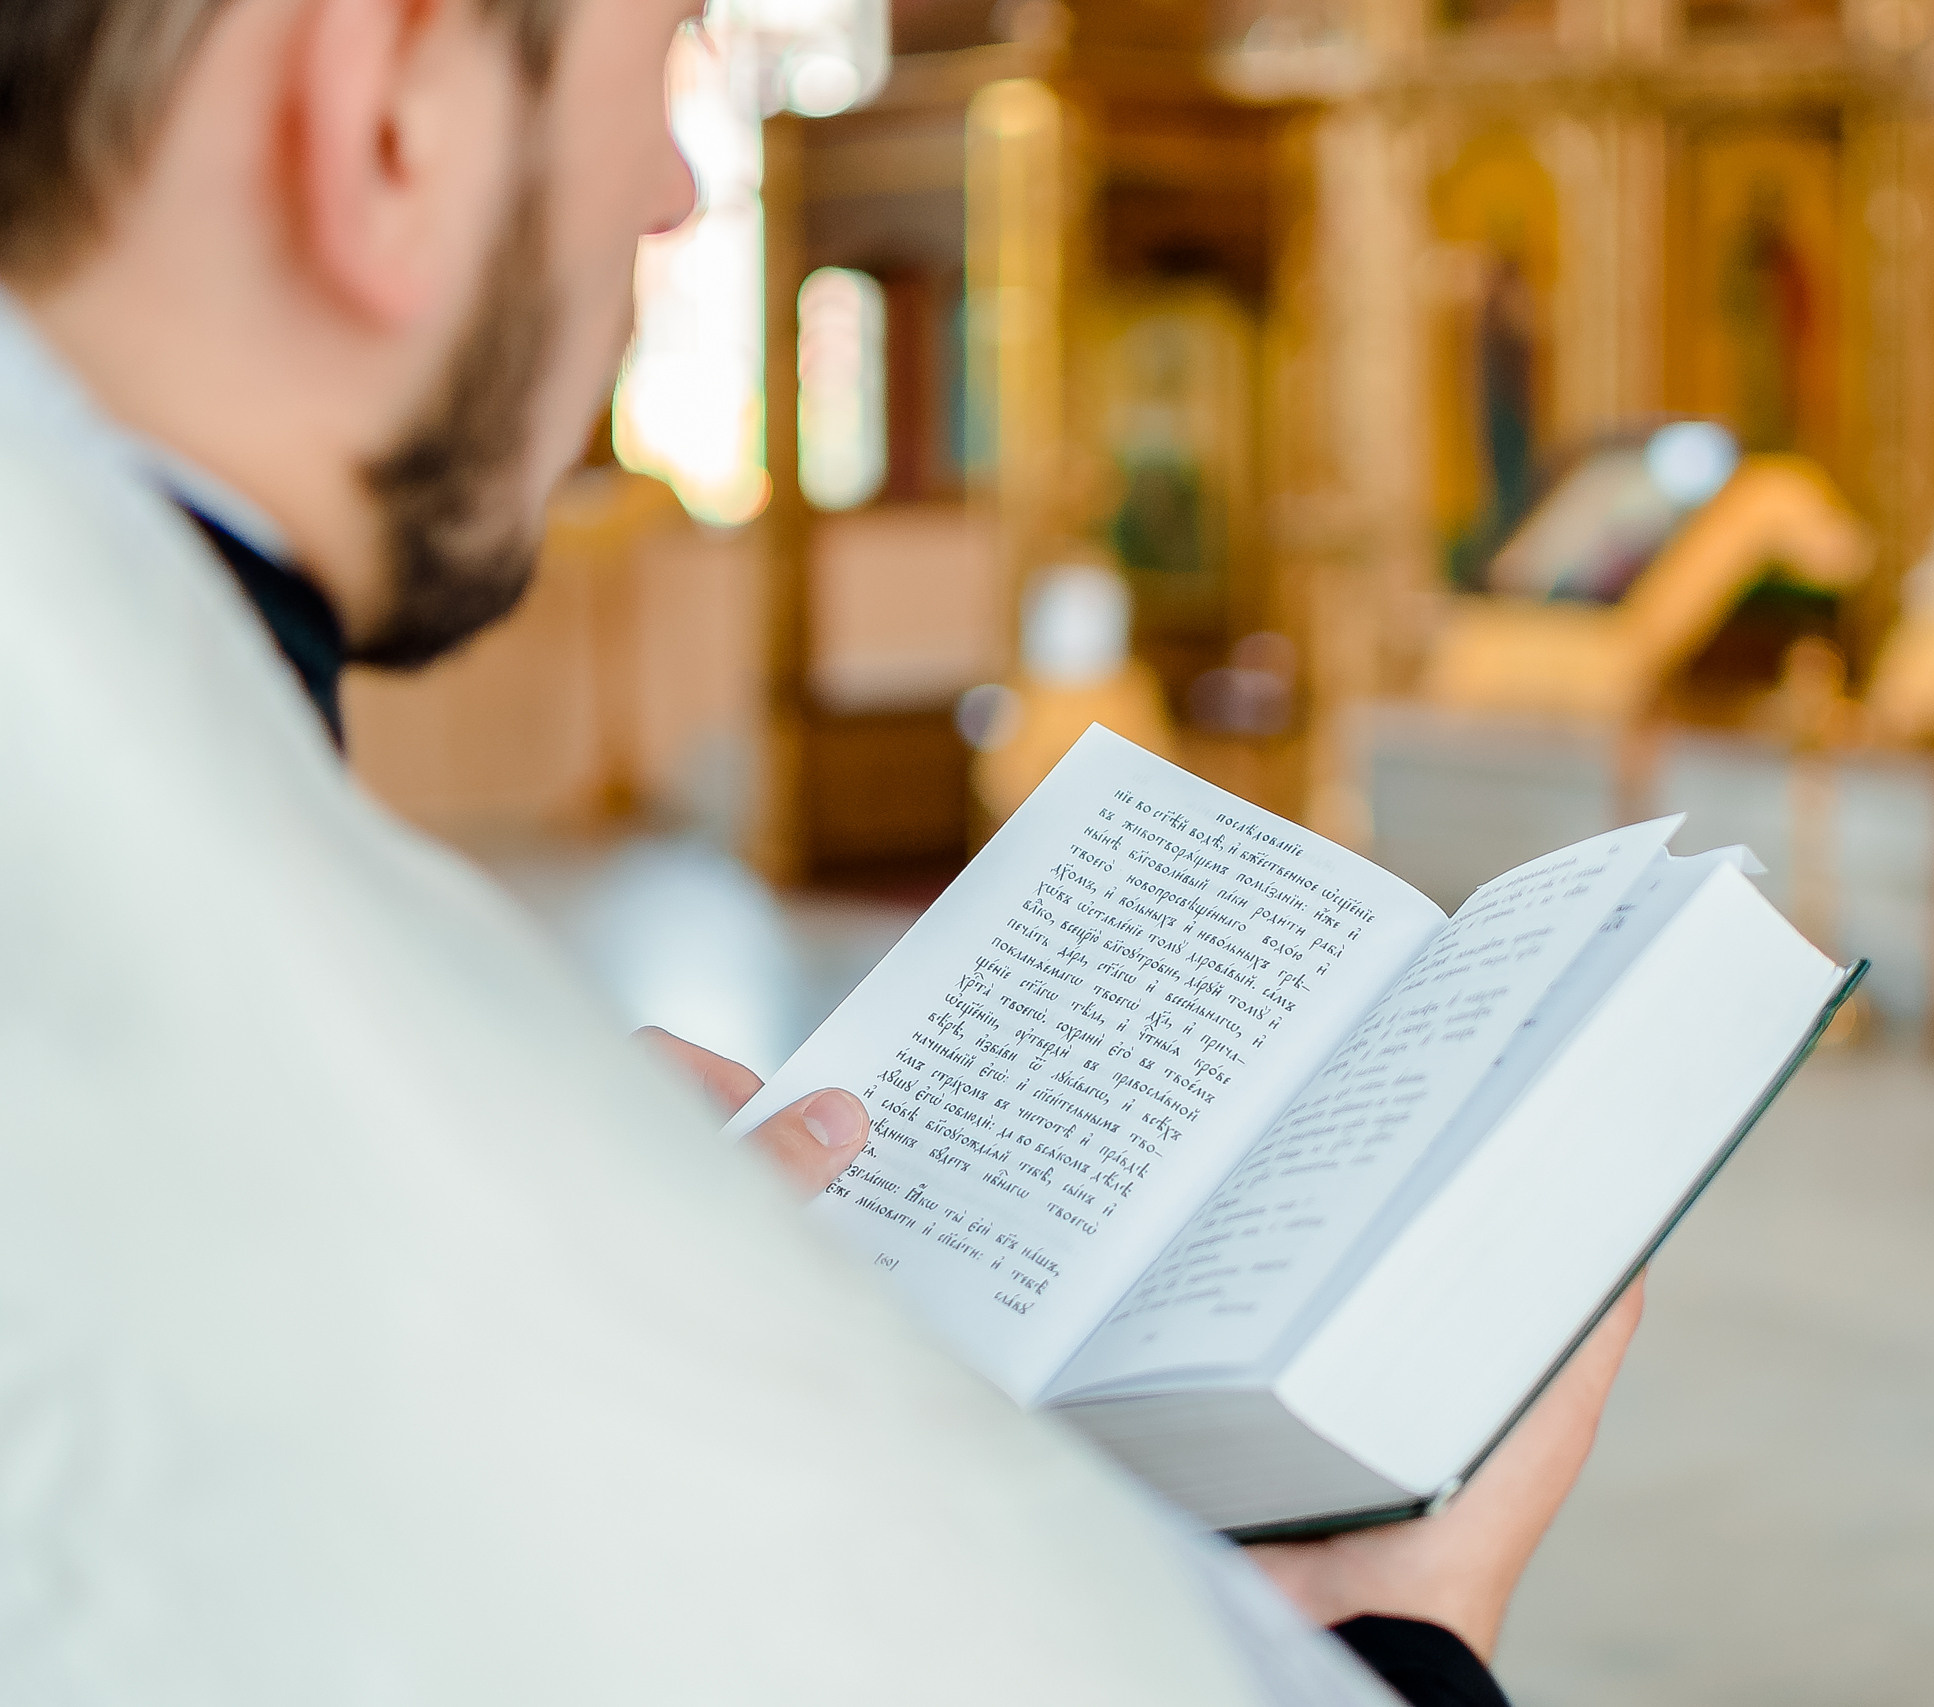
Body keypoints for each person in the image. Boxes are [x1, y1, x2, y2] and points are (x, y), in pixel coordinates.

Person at [0, 3, 1642, 1703]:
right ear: (389, 115)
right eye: (664, 74)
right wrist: (1399, 1627)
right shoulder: (312, 1088)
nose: (672, 192)